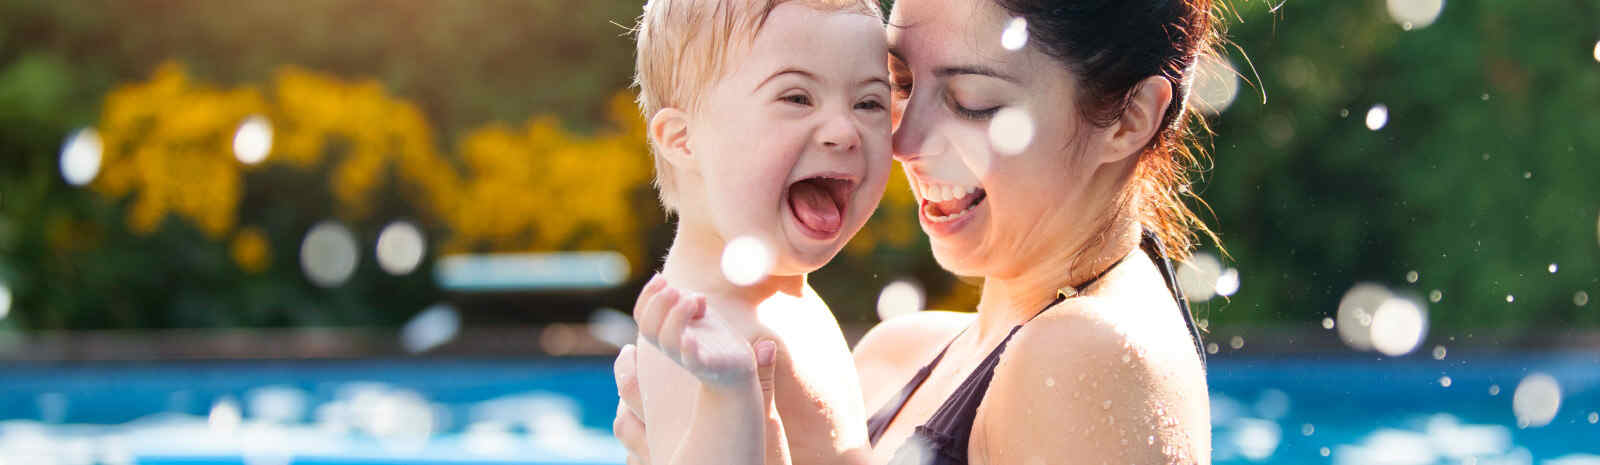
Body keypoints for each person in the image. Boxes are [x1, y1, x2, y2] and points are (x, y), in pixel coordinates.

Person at [617, 0, 1226, 462]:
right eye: (901, 85)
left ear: (1129, 116)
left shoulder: (1090, 358)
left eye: (972, 100)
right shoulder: (900, 352)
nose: (901, 142)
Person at [621, 0, 893, 464]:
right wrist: (727, 399)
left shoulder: (788, 299)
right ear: (683, 139)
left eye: (869, 102)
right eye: (797, 98)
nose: (844, 131)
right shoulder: (706, 334)